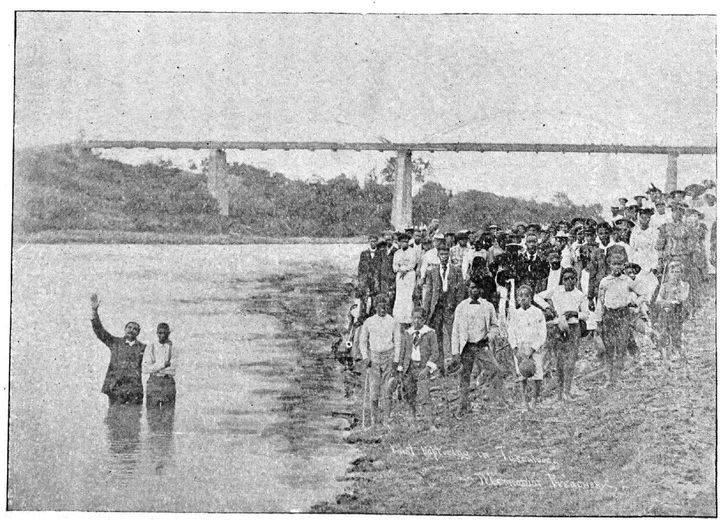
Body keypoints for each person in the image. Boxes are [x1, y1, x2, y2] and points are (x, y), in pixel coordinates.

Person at [534, 268, 588, 403]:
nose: (569, 281)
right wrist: (548, 307)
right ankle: (559, 393)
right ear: (562, 280)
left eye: (572, 278)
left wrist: (575, 313)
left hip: (573, 328)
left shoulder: (580, 295)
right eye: (566, 279)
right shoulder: (556, 290)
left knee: (570, 361)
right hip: (558, 327)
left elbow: (586, 314)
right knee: (559, 361)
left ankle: (567, 392)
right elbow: (537, 297)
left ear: (576, 279)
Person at [450, 278, 503, 415]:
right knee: (464, 376)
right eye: (471, 287)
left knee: (495, 369)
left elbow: (495, 326)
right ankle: (463, 406)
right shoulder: (461, 307)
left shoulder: (488, 306)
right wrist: (455, 352)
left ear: (481, 290)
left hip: (481, 345)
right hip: (466, 346)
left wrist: (489, 336)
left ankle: (493, 401)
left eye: (476, 288)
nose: (473, 290)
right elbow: (455, 331)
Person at [90, 293, 146, 405]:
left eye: (135, 329)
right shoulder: (115, 343)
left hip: (134, 391)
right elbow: (100, 331)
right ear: (125, 329)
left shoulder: (143, 348)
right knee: (113, 415)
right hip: (115, 388)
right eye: (129, 327)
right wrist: (94, 311)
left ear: (138, 333)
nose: (131, 330)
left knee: (134, 415)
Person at [598, 254, 641, 388]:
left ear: (623, 266)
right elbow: (600, 301)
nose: (616, 267)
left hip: (623, 315)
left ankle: (618, 377)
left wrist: (634, 303)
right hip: (609, 315)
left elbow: (641, 293)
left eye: (619, 264)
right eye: (614, 264)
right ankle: (609, 378)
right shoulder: (605, 281)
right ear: (609, 265)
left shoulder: (627, 280)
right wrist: (599, 320)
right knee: (609, 347)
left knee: (622, 346)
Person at [422, 244, 465, 375]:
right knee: (437, 337)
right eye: (442, 254)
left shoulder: (456, 270)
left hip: (451, 306)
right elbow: (429, 292)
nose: (444, 257)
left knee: (453, 335)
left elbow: (460, 291)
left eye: (446, 254)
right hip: (437, 307)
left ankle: (456, 365)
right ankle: (441, 367)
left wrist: (458, 307)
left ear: (449, 255)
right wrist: (426, 310)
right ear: (438, 256)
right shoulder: (432, 272)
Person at [358, 295, 399, 426]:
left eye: (385, 307)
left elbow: (397, 342)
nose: (383, 309)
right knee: (374, 390)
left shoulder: (393, 321)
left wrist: (396, 360)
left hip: (388, 357)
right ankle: (374, 421)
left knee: (387, 390)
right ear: (375, 307)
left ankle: (386, 420)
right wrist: (365, 357)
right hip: (374, 358)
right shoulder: (369, 322)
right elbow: (362, 341)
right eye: (380, 307)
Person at [395, 307, 439, 423]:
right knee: (409, 393)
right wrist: (400, 368)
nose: (416, 321)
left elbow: (435, 353)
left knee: (424, 394)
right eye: (414, 318)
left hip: (422, 367)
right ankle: (412, 416)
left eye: (419, 318)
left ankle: (430, 422)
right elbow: (402, 352)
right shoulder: (407, 333)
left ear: (424, 320)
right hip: (409, 367)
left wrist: (427, 368)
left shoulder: (430, 333)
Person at [508, 285, 547, 409]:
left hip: (534, 349)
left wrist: (533, 348)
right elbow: (511, 332)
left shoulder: (537, 312)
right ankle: (524, 401)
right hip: (520, 348)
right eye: (520, 296)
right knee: (522, 374)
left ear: (531, 298)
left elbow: (542, 333)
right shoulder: (515, 314)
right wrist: (515, 349)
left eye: (526, 295)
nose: (523, 298)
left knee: (537, 373)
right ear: (517, 298)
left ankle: (534, 400)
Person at [655, 261, 690, 364]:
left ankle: (677, 351)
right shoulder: (665, 286)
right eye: (672, 272)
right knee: (663, 332)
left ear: (681, 273)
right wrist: (667, 302)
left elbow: (682, 298)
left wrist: (672, 300)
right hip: (665, 312)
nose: (675, 274)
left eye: (677, 272)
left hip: (677, 312)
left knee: (676, 333)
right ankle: (663, 352)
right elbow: (658, 300)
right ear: (668, 273)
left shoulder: (684, 285)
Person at [143, 322, 177, 408]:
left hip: (168, 382)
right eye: (160, 333)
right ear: (157, 333)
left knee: (168, 412)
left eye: (165, 333)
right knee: (152, 411)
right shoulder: (151, 347)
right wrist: (163, 365)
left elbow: (173, 370)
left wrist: (155, 367)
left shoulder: (173, 348)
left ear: (169, 333)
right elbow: (145, 368)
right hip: (154, 381)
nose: (162, 335)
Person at [392, 233, 417, 325]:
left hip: (409, 275)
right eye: (402, 242)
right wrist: (399, 270)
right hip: (400, 275)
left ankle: (408, 317)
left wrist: (405, 270)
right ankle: (399, 317)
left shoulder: (412, 252)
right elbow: (394, 265)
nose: (404, 243)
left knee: (408, 295)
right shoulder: (397, 253)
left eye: (406, 241)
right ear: (399, 242)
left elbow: (413, 263)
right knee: (400, 295)